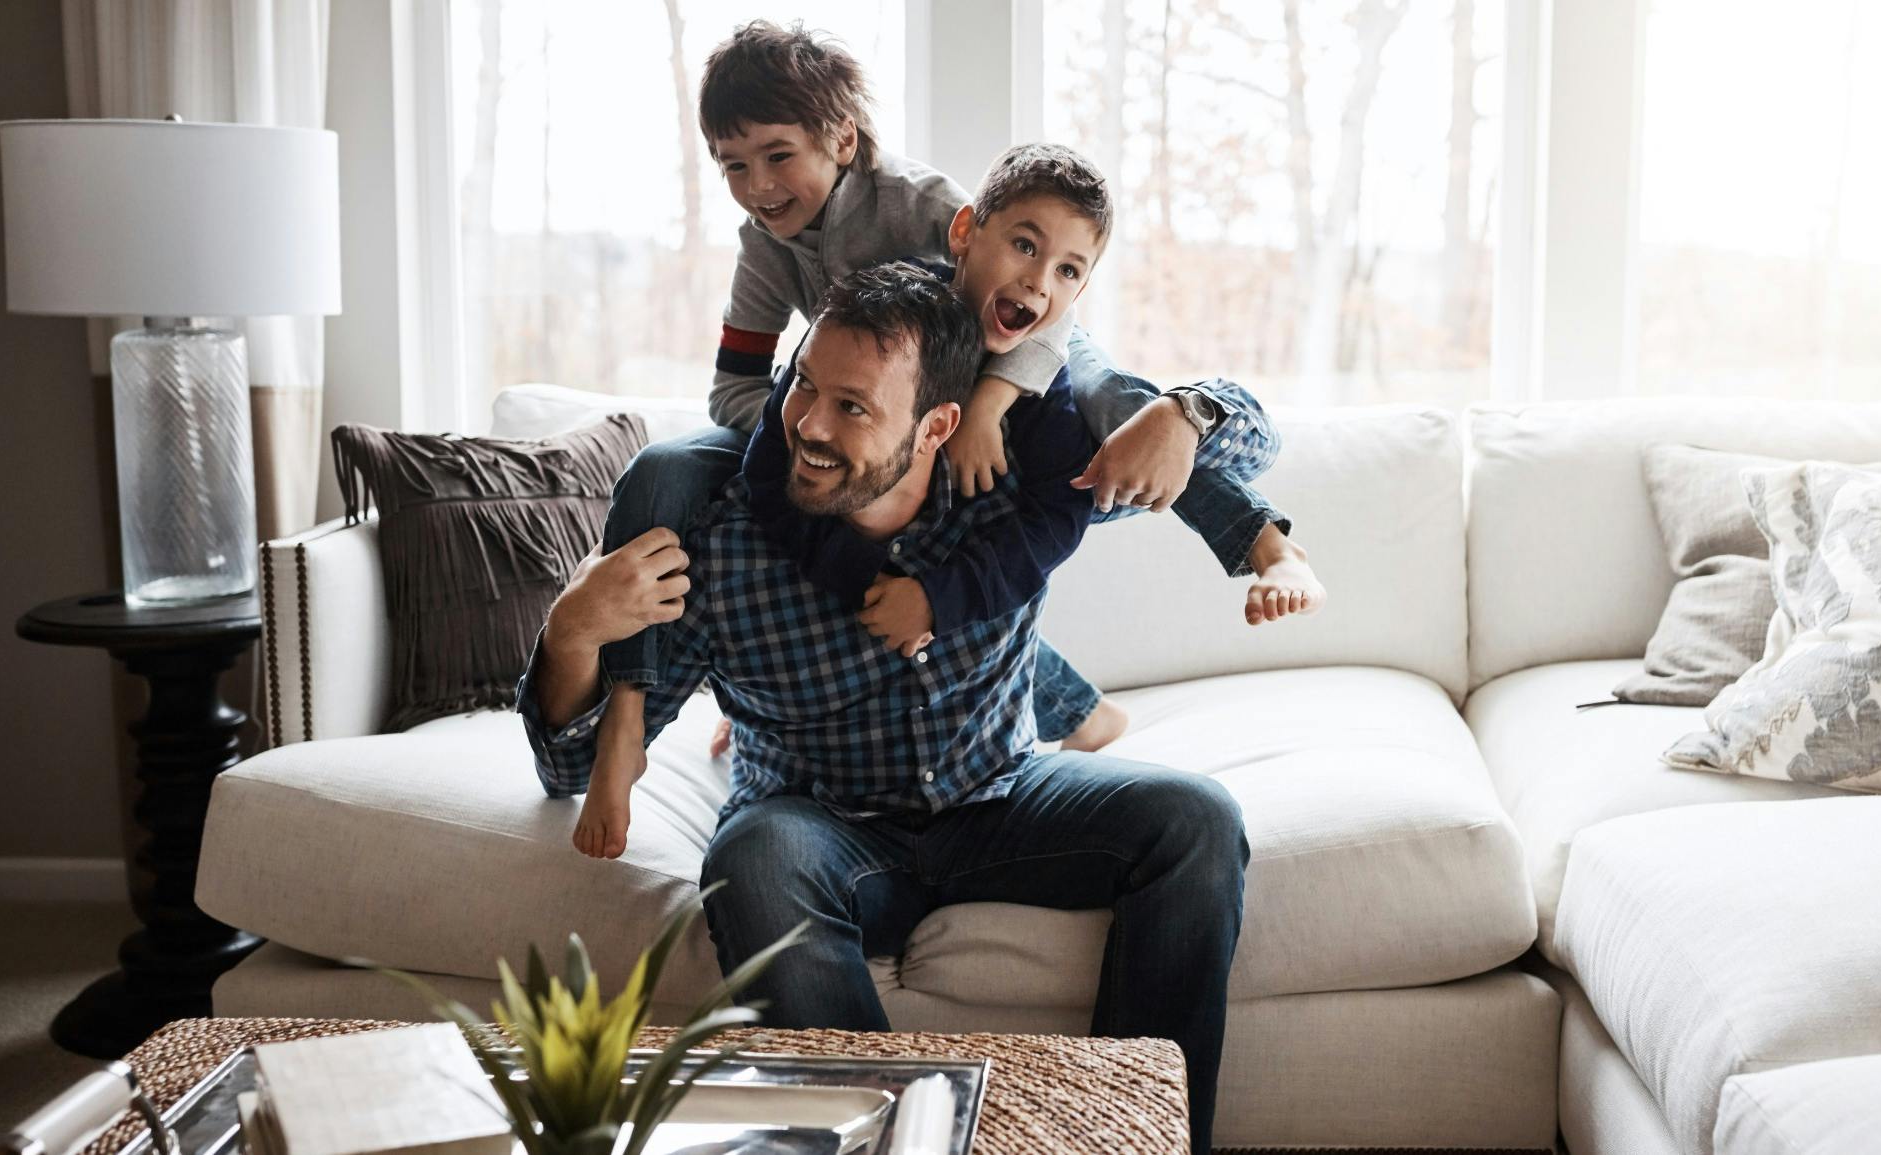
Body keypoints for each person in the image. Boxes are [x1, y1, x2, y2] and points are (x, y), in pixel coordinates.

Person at [521, 264, 1247, 1155]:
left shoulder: (1011, 489)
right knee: (753, 852)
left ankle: (1137, 1139)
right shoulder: (724, 543)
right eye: (803, 391)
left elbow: (1244, 461)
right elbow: (568, 768)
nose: (810, 428)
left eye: (854, 408)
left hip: (1001, 796)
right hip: (822, 828)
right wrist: (570, 636)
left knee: (1197, 818)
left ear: (939, 423)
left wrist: (1186, 414)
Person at [589, 22, 1323, 797]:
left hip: (1015, 356)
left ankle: (1266, 542)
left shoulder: (923, 207)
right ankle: (639, 702)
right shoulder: (765, 247)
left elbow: (1036, 292)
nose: (757, 184)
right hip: (886, 430)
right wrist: (815, 417)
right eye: (733, 165)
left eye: (777, 156)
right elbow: (731, 387)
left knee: (1120, 408)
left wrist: (985, 404)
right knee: (668, 469)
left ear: (842, 140)